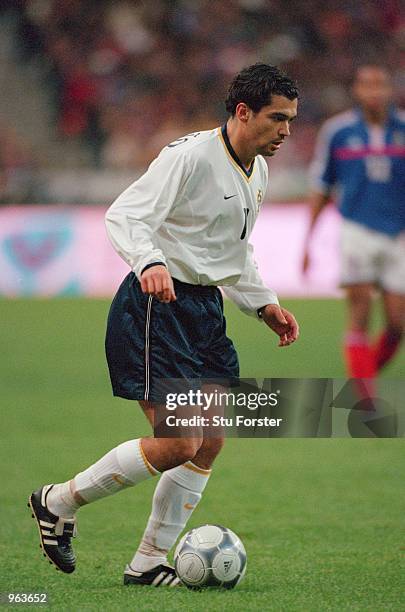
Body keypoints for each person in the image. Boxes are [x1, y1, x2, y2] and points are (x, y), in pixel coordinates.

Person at [28, 63, 299, 586]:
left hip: (206, 313)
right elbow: (125, 214)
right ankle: (56, 501)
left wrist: (263, 304)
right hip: (159, 308)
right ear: (243, 113)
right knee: (178, 442)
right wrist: (149, 261)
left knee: (211, 440)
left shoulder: (258, 170)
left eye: (290, 120)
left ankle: (149, 560)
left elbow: (234, 251)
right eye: (277, 118)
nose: (286, 130)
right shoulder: (191, 157)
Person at [302, 65, 405, 381]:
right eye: (367, 86)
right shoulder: (338, 132)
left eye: (380, 85)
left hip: (398, 232)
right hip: (355, 228)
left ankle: (363, 374)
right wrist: (308, 240)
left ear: (389, 90)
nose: (374, 92)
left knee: (397, 322)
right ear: (357, 91)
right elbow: (322, 186)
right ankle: (365, 399)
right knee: (359, 311)